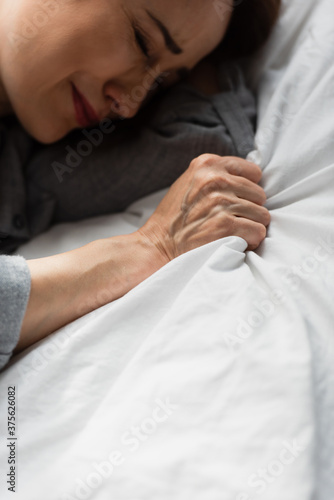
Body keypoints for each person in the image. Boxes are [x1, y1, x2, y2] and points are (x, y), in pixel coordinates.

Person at [0, 0, 280, 370]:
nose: (129, 106)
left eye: (162, 82)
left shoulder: (43, 159)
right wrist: (146, 248)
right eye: (143, 43)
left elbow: (214, 143)